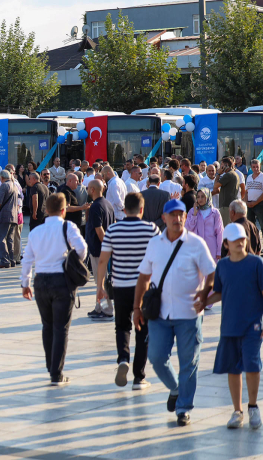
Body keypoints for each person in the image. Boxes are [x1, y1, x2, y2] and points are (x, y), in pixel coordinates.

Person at [134, 199, 216, 427]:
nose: (177, 219)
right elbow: (143, 277)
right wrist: (136, 308)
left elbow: (211, 272)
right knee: (157, 357)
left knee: (188, 363)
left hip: (189, 314)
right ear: (164, 218)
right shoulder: (155, 244)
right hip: (160, 314)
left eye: (181, 214)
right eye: (173, 215)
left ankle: (184, 408)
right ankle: (175, 388)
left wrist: (205, 292)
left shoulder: (196, 244)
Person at [196, 223, 263, 429]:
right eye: (235, 240)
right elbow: (219, 292)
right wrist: (204, 302)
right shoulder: (222, 266)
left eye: (242, 238)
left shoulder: (257, 263)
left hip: (252, 326)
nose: (240, 242)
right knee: (233, 369)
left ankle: (253, 407)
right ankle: (237, 411)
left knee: (252, 365)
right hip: (229, 326)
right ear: (226, 243)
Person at [21, 194, 88, 386]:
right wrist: (72, 261)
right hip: (61, 280)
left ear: (46, 210)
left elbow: (27, 259)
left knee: (47, 326)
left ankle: (51, 367)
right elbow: (82, 248)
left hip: (41, 281)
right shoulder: (68, 227)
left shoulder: (35, 232)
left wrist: (25, 283)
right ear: (64, 209)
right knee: (61, 328)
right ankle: (56, 373)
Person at [96, 192, 159, 390]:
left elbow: (103, 260)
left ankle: (123, 358)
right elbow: (159, 258)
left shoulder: (113, 229)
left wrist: (99, 287)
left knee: (122, 326)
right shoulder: (151, 229)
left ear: (123, 209)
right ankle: (139, 377)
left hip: (120, 285)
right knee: (143, 329)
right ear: (142, 209)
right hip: (144, 287)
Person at [85, 180, 116, 320]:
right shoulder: (107, 204)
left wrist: (106, 247)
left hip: (99, 250)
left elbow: (99, 230)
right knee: (100, 280)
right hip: (103, 249)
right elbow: (114, 225)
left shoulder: (95, 206)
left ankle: (107, 309)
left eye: (87, 188)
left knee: (101, 280)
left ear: (92, 189)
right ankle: (99, 307)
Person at [0, 170, 19, 269]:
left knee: (0, 238)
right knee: (10, 239)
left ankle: (4, 261)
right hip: (13, 216)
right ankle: (11, 260)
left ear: (1, 178)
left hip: (4, 216)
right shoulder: (14, 185)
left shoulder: (4, 185)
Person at [184, 188, 223, 261]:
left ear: (207, 197)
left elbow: (220, 232)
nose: (200, 199)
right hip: (196, 248)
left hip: (211, 249)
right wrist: (194, 214)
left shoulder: (215, 212)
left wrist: (219, 251)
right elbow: (187, 229)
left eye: (203, 196)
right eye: (198, 197)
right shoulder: (192, 211)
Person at [214, 157, 240, 226]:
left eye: (221, 164)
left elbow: (216, 185)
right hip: (231, 205)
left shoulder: (229, 175)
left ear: (226, 165)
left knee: (224, 228)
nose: (220, 166)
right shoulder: (235, 174)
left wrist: (218, 174)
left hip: (226, 206)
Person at [246, 159, 263, 228]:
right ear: (251, 167)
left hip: (260, 204)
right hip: (249, 205)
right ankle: (254, 239)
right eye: (253, 167)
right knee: (250, 226)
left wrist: (255, 202)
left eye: (257, 166)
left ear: (260, 166)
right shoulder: (249, 177)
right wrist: (246, 202)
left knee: (262, 225)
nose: (255, 168)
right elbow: (246, 191)